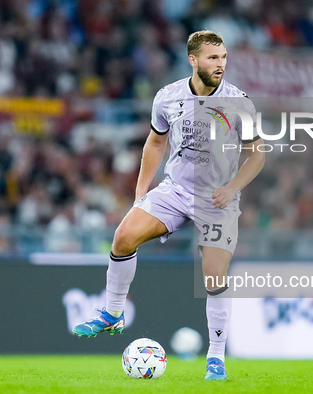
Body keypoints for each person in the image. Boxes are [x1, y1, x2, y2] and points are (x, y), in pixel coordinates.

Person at [72, 30, 265, 381]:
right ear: (193, 60)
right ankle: (113, 313)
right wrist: (141, 192)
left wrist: (232, 187)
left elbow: (257, 154)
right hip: (175, 190)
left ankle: (216, 359)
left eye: (223, 58)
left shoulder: (240, 103)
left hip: (217, 199)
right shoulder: (168, 97)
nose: (220, 64)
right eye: (212, 58)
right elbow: (155, 143)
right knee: (123, 237)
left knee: (214, 277)